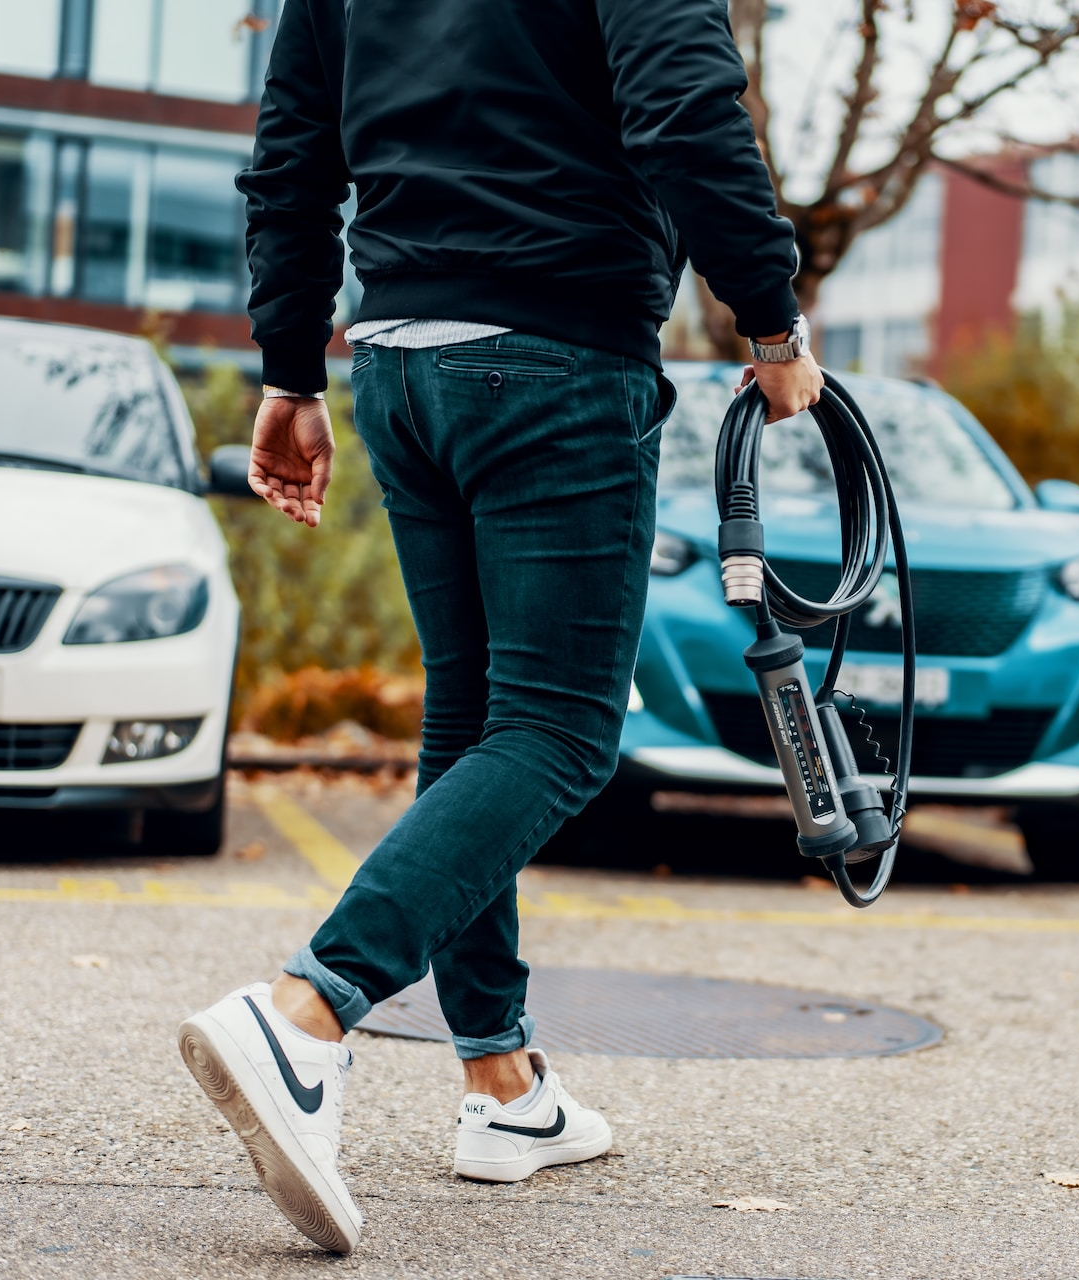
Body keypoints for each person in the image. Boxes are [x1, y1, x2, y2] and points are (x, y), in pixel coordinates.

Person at [174, 0, 821, 1254]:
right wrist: (773, 319)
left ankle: (503, 1087)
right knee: (565, 732)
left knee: (475, 722)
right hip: (553, 353)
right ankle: (308, 1011)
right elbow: (688, 109)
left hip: (402, 360)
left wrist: (290, 370)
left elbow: (294, 146)